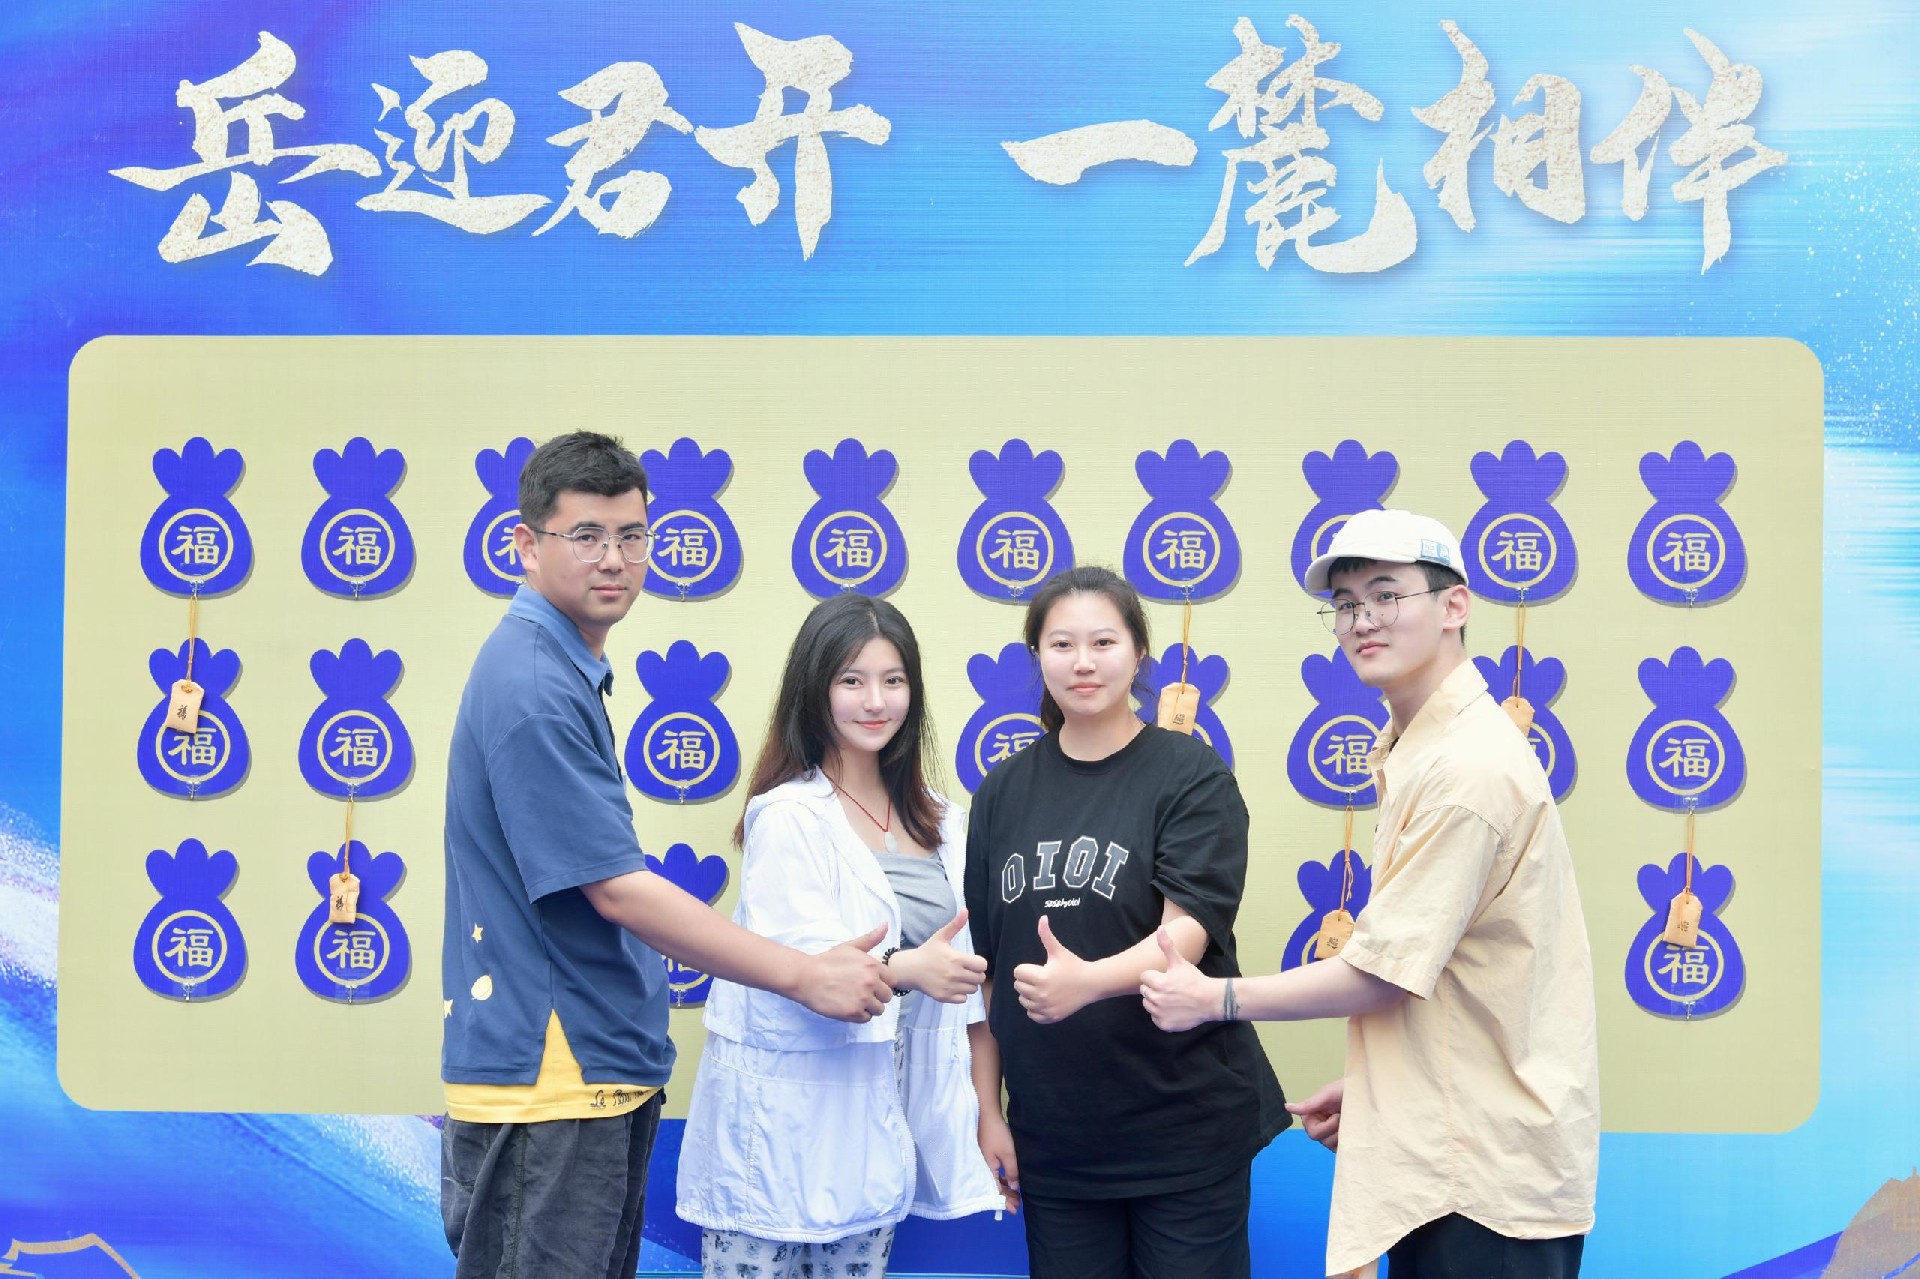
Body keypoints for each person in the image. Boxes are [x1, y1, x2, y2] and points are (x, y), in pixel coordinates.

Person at [439, 432, 897, 1279]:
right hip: (555, 1071)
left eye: (632, 534)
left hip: (589, 1069)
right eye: (586, 535)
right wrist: (803, 974)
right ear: (526, 545)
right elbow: (618, 890)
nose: (614, 559)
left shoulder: (561, 667)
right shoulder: (533, 684)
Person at [1141, 508, 1600, 1279]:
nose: (1362, 620)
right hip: (1455, 1151)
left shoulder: (1466, 770)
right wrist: (1389, 1087)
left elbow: (1384, 972)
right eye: (1347, 603)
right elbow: (1454, 974)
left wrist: (1214, 998)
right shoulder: (1426, 751)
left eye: (1387, 594)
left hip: (1481, 1177)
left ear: (1455, 605)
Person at [962, 565, 1289, 1279]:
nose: (1082, 661)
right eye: (1062, 644)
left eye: (1103, 642)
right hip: (1057, 1138)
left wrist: (1086, 982)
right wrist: (988, 1108)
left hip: (1183, 1128)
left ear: (1139, 653)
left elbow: (1186, 936)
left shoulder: (1190, 775)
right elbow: (986, 974)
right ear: (1038, 657)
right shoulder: (1001, 793)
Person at [677, 593, 1005, 1277]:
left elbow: (971, 995)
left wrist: (988, 1111)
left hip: (879, 1120)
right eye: (851, 680)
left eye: (893, 679)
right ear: (815, 689)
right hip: (779, 1121)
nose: (875, 701)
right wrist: (909, 968)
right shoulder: (787, 815)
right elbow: (811, 964)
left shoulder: (946, 824)